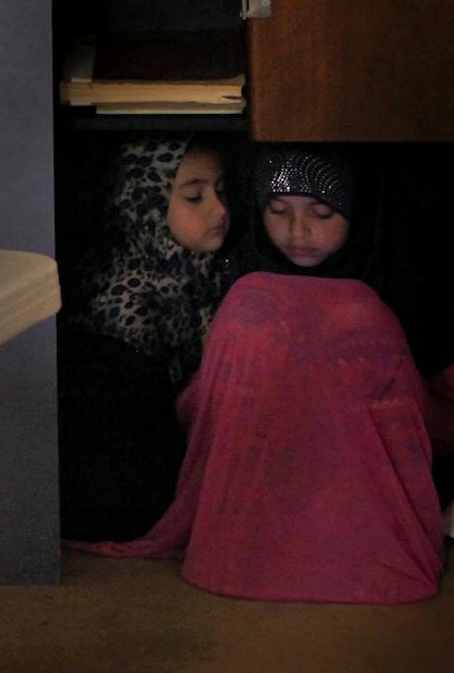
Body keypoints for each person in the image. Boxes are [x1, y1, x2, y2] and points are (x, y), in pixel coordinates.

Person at [78, 147, 444, 603]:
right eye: (276, 210)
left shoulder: (390, 290)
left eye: (323, 212)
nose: (298, 232)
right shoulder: (238, 281)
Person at [55, 136, 229, 540]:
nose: (219, 210)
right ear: (144, 206)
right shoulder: (129, 299)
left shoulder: (203, 273)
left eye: (221, 192)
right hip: (127, 498)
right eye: (194, 197)